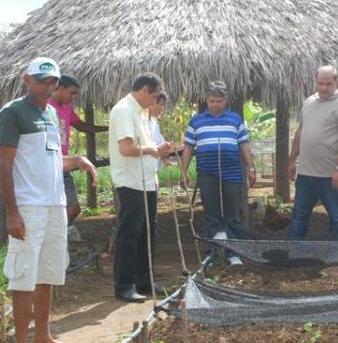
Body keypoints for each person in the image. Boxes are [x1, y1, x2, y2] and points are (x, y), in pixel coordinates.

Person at [0, 57, 97, 343]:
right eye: (42, 81)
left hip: (55, 205)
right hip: (29, 207)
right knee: (24, 275)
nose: (48, 86)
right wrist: (12, 213)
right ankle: (22, 340)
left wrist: (76, 160)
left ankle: (43, 335)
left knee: (48, 272)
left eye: (52, 81)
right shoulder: (13, 113)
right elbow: (4, 166)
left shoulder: (51, 114)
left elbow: (50, 160)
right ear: (27, 80)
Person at [109, 73, 172, 302]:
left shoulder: (142, 112)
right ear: (144, 90)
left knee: (148, 232)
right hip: (131, 181)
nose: (154, 102)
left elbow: (144, 145)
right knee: (130, 234)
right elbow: (126, 149)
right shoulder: (124, 110)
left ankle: (144, 281)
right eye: (154, 96)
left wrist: (157, 148)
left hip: (147, 181)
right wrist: (153, 150)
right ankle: (124, 285)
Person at [180, 81, 256, 266]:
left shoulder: (235, 119)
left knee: (232, 214)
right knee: (211, 215)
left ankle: (233, 253)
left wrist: (251, 168)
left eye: (219, 101)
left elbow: (243, 144)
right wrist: (183, 172)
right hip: (207, 174)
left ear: (226, 101)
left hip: (232, 174)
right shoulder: (196, 121)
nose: (215, 104)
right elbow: (188, 148)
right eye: (212, 101)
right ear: (206, 100)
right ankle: (212, 253)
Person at [287, 65, 338, 239]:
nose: (324, 87)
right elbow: (301, 131)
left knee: (336, 216)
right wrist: (292, 160)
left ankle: (334, 255)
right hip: (305, 173)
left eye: (328, 83)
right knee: (299, 215)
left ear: (336, 82)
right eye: (321, 83)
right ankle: (294, 253)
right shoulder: (309, 102)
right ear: (315, 83)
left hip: (331, 175)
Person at [48, 75, 108, 224]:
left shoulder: (67, 108)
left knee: (73, 208)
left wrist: (107, 128)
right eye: (72, 93)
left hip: (64, 165)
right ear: (60, 89)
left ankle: (55, 234)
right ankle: (53, 236)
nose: (74, 97)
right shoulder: (44, 108)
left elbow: (81, 125)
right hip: (47, 164)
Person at [147, 92, 171, 170]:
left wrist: (169, 148)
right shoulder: (140, 121)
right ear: (152, 102)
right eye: (161, 104)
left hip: (154, 170)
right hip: (142, 172)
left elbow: (161, 142)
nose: (162, 108)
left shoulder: (154, 122)